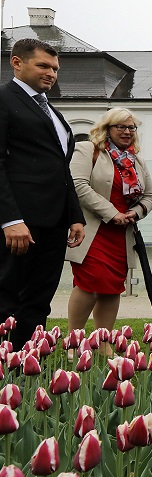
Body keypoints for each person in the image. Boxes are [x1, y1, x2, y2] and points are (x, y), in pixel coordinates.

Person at [0, 39, 85, 349]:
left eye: (55, 68)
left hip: (53, 222)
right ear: (17, 62)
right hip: (19, 223)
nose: (51, 73)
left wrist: (74, 214)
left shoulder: (51, 110)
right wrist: (10, 219)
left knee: (39, 298)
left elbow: (61, 168)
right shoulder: (4, 100)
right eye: (43, 66)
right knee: (8, 298)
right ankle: (4, 370)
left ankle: (27, 366)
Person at [66, 108, 152, 354]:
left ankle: (103, 343)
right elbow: (77, 185)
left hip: (121, 233)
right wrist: (111, 212)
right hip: (92, 230)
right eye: (121, 127)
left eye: (131, 128)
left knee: (113, 287)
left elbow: (150, 196)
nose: (127, 132)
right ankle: (74, 342)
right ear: (107, 128)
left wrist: (135, 213)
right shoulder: (87, 150)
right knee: (90, 282)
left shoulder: (135, 159)